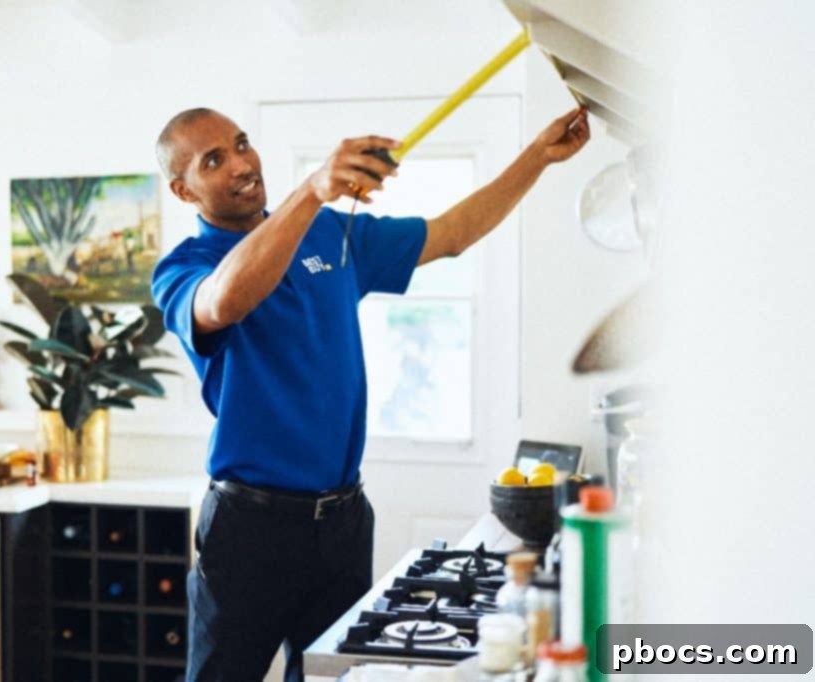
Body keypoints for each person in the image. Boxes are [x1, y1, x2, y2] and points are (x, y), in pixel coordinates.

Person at [151, 105, 590, 681]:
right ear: (185, 191)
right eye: (214, 160)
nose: (240, 163)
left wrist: (538, 157)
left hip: (342, 521)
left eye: (241, 143)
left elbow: (452, 235)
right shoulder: (184, 267)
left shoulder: (333, 232)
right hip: (250, 528)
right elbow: (224, 302)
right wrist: (312, 191)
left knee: (335, 678)